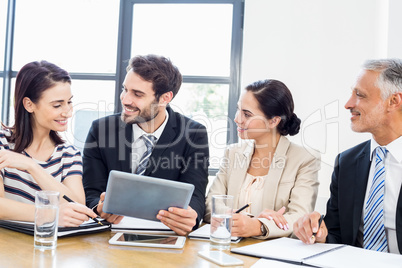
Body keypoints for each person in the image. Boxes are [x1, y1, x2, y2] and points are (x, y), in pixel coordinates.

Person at [83, 54, 209, 236]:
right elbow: (91, 190)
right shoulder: (101, 130)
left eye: (137, 94)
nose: (125, 99)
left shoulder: (193, 134)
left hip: (165, 235)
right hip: (108, 235)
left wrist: (192, 217)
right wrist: (98, 207)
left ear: (165, 98)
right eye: (125, 89)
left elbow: (196, 194)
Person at [293, 59, 402, 254]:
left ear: (393, 101)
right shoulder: (347, 162)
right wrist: (320, 233)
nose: (348, 104)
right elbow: (337, 234)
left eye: (360, 95)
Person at [204, 79, 320, 239]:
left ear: (273, 121)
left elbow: (300, 217)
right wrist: (233, 219)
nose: (237, 119)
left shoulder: (304, 160)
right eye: (239, 110)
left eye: (247, 114)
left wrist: (258, 226)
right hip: (229, 248)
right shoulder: (232, 153)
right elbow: (211, 203)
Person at [0, 60, 97, 226]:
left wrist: (32, 166)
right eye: (57, 105)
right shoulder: (2, 142)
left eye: (69, 102)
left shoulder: (69, 154)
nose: (67, 112)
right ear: (29, 105)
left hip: (48, 245)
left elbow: (78, 208)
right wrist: (50, 214)